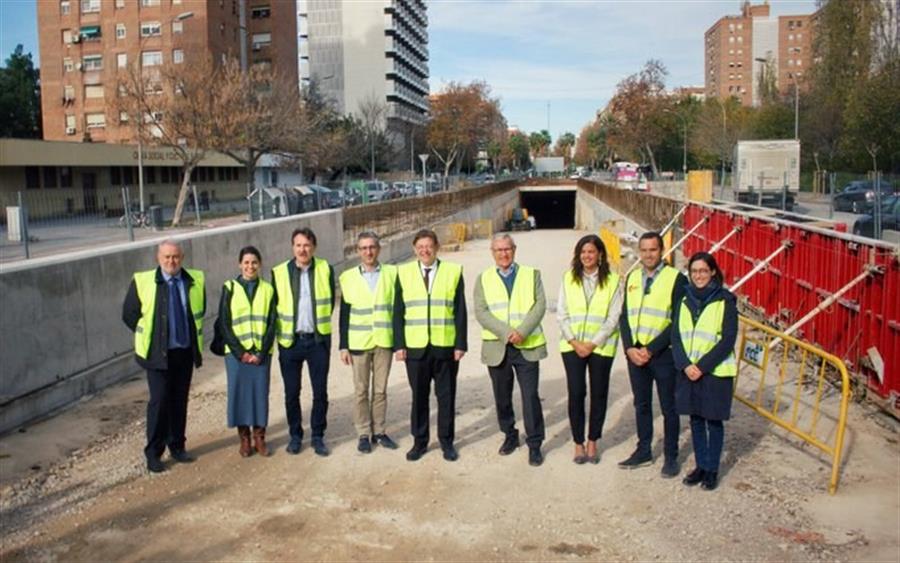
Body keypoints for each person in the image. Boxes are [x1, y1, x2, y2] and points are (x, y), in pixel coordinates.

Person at [122, 240, 205, 473]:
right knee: (159, 402)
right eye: (167, 257)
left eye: (176, 257)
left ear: (182, 258)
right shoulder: (143, 281)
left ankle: (177, 446)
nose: (171, 261)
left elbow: (199, 310)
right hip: (157, 355)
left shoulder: (194, 280)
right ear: (158, 258)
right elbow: (129, 314)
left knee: (179, 401)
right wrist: (152, 335)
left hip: (184, 352)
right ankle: (153, 453)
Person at [393, 229, 467, 462]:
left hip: (444, 346)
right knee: (419, 398)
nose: (425, 250)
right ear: (415, 249)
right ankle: (420, 441)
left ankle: (447, 442)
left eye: (429, 246)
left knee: (446, 397)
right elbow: (398, 311)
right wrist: (399, 345)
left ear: (436, 247)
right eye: (420, 247)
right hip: (415, 348)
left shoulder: (453, 272)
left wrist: (460, 343)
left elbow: (460, 311)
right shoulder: (403, 273)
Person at [474, 233, 547, 467]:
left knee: (530, 396)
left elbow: (540, 305)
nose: (503, 254)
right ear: (492, 253)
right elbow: (481, 311)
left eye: (507, 249)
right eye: (499, 250)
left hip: (526, 346)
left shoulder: (531, 274)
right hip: (498, 346)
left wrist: (522, 331)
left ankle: (534, 443)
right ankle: (510, 434)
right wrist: (506, 332)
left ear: (514, 250)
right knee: (502, 396)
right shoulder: (483, 279)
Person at [618, 232, 687, 477]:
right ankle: (644, 450)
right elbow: (625, 315)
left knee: (669, 407)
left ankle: (671, 456)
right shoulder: (633, 277)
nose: (648, 255)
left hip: (662, 354)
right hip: (636, 354)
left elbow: (679, 321)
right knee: (642, 404)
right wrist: (629, 348)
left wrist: (650, 349)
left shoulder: (676, 279)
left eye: (653, 250)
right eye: (644, 250)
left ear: (662, 250)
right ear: (639, 251)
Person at [672, 252, 738, 491]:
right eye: (694, 271)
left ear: (712, 272)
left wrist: (701, 367)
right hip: (688, 370)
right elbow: (676, 335)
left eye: (703, 271)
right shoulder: (684, 300)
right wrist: (685, 364)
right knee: (696, 419)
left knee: (713, 421)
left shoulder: (725, 301)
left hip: (714, 372)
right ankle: (700, 465)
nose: (698, 276)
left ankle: (711, 469)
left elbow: (727, 340)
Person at [557, 234, 622, 465]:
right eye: (583, 252)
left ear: (600, 255)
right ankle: (578, 443)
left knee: (599, 393)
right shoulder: (568, 279)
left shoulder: (613, 281)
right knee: (576, 393)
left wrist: (593, 343)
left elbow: (614, 317)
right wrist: (575, 342)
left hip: (601, 347)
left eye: (591, 252)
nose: (587, 256)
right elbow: (561, 313)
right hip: (572, 346)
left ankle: (593, 440)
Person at [272, 227, 335, 457]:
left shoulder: (325, 269)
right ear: (292, 247)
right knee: (292, 393)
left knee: (320, 392)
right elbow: (275, 306)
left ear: (314, 247)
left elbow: (328, 301)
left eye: (307, 245)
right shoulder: (279, 272)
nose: (302, 249)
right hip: (291, 342)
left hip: (317, 341)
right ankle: (295, 435)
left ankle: (318, 436)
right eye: (298, 245)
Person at [339, 232, 399, 454]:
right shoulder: (348, 277)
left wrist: (399, 343)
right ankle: (364, 433)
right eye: (364, 248)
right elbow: (344, 314)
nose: (368, 251)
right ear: (358, 251)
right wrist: (343, 345)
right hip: (359, 342)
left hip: (384, 340)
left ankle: (380, 431)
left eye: (372, 247)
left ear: (379, 249)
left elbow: (397, 310)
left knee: (381, 390)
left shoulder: (392, 274)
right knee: (361, 391)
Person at [219, 246, 277, 458]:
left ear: (259, 264)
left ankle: (259, 437)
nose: (250, 266)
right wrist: (240, 352)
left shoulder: (268, 289)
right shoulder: (230, 288)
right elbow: (224, 323)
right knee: (239, 394)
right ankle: (244, 438)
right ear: (239, 264)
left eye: (254, 262)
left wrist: (261, 352)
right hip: (236, 355)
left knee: (260, 393)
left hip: (261, 353)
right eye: (246, 262)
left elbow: (272, 323)